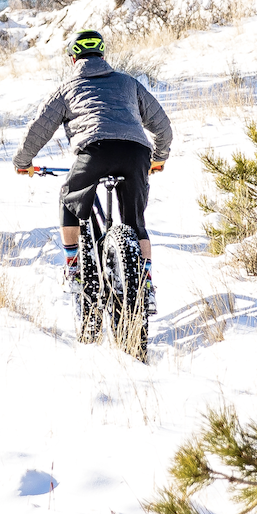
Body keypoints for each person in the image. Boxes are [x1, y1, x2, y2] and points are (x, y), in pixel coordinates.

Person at [13, 30, 172, 313]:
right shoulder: (128, 83)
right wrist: (158, 158)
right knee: (136, 223)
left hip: (93, 152)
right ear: (102, 55)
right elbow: (162, 125)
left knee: (68, 198)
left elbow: (38, 129)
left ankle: (74, 267)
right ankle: (145, 284)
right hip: (135, 153)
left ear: (74, 59)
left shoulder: (66, 89)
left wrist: (23, 162)